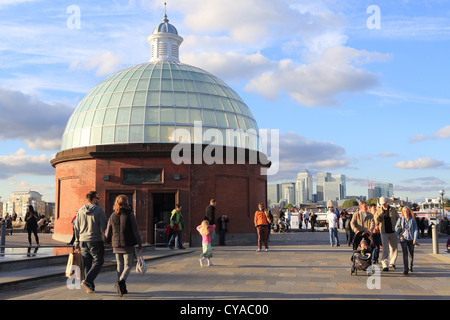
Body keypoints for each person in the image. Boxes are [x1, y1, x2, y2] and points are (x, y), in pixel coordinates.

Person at [105, 195, 143, 297]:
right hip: (128, 244)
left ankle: (122, 288)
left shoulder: (112, 215)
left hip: (116, 244)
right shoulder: (130, 214)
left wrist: (107, 241)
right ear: (126, 202)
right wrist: (140, 244)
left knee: (120, 265)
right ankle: (121, 282)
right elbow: (135, 231)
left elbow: (108, 231)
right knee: (128, 265)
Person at [74, 191, 107, 294]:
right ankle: (88, 281)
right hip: (95, 240)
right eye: (98, 198)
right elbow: (105, 226)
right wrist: (107, 238)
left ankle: (90, 287)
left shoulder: (80, 210)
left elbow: (76, 228)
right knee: (99, 261)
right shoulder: (99, 210)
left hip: (83, 241)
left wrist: (76, 241)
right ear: (93, 199)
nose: (99, 200)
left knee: (87, 264)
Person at [375, 196, 399, 272]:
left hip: (393, 231)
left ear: (386, 202)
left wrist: (399, 230)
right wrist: (380, 217)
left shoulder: (393, 209)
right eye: (381, 204)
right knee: (385, 248)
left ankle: (392, 263)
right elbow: (376, 221)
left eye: (384, 203)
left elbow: (398, 219)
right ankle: (385, 264)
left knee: (394, 248)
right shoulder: (379, 211)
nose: (383, 205)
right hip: (383, 232)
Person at [395, 206, 418, 275]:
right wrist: (399, 236)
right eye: (404, 211)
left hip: (411, 239)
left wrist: (415, 239)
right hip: (403, 239)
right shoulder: (400, 219)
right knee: (405, 254)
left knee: (411, 253)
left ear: (409, 212)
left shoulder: (412, 220)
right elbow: (395, 230)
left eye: (407, 211)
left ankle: (411, 265)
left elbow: (416, 230)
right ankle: (406, 268)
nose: (406, 212)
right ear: (402, 212)